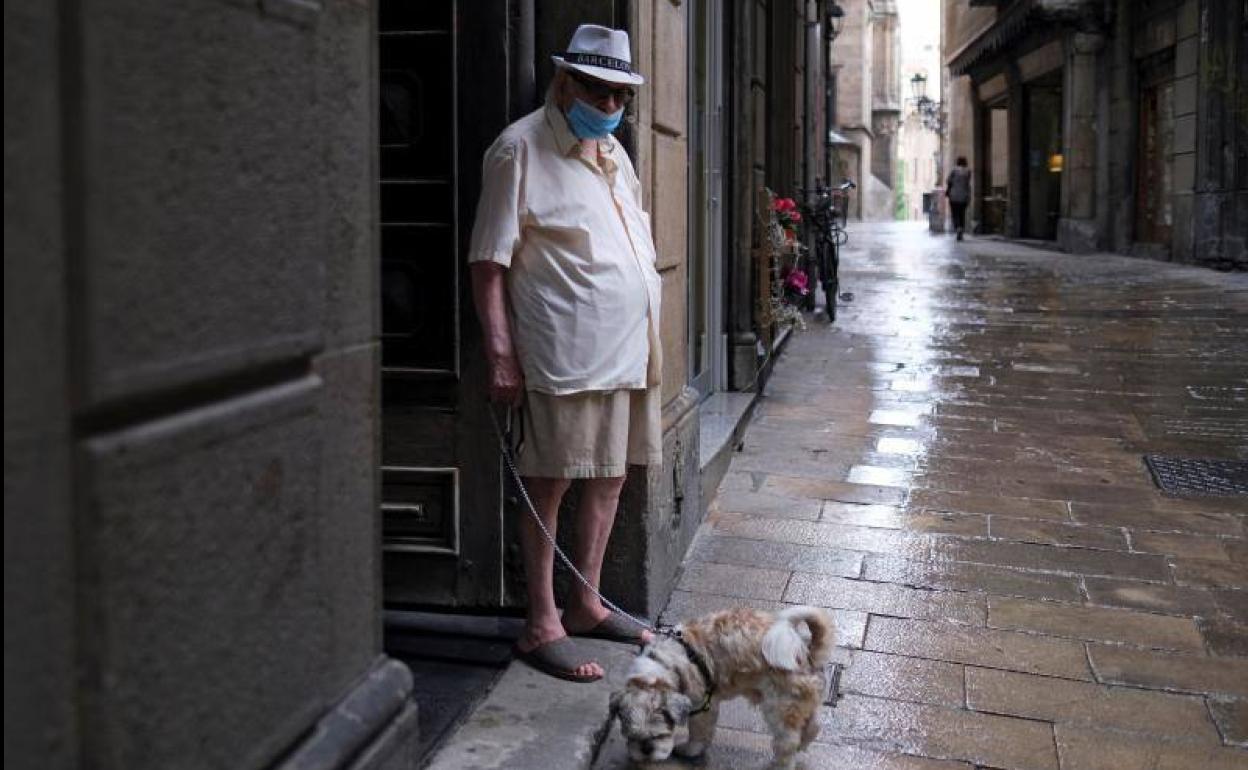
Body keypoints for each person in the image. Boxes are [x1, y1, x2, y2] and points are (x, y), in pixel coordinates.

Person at [467, 24, 661, 683]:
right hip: (562, 355)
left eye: (620, 96)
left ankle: (586, 602)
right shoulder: (518, 150)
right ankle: (541, 621)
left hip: (628, 351)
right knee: (549, 483)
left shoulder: (614, 156)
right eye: (598, 91)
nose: (608, 106)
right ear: (563, 83)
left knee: (609, 476)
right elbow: (487, 263)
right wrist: (499, 355)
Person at [946, 156, 972, 241]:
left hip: (954, 196)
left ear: (957, 162)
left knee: (955, 213)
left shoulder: (953, 171)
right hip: (964, 196)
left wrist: (949, 190)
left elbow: (948, 181)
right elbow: (967, 184)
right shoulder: (968, 172)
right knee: (962, 214)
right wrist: (968, 196)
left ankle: (957, 228)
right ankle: (961, 228)